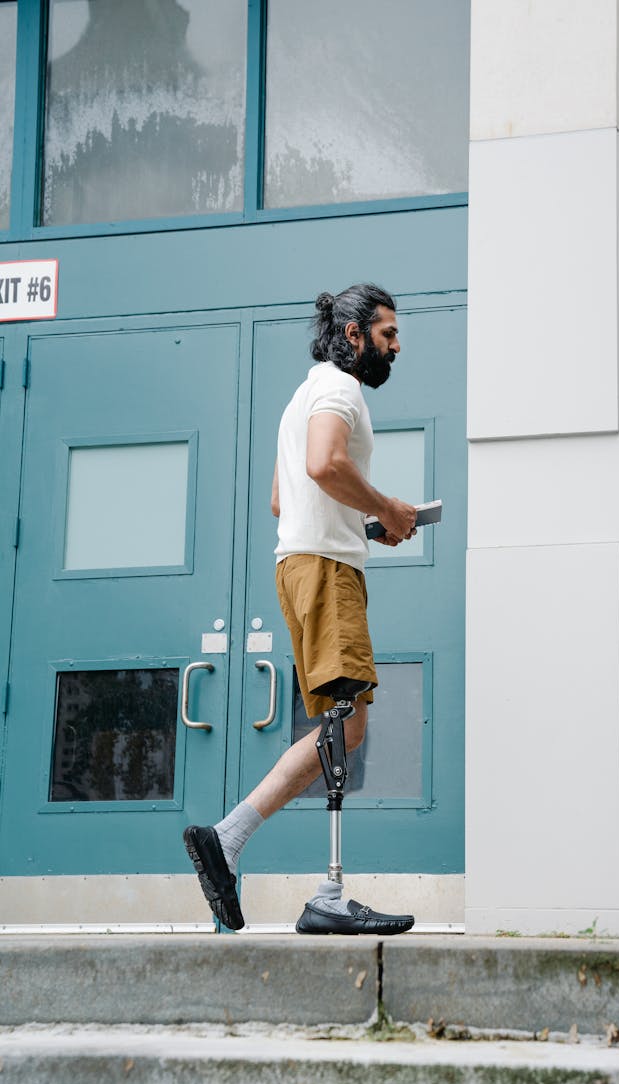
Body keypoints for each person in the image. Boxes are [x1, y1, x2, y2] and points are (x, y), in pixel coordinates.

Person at [184, 282, 418, 934]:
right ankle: (316, 886)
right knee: (347, 727)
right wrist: (388, 507)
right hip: (325, 573)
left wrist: (365, 526)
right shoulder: (341, 390)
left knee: (341, 727)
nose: (396, 346)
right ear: (353, 334)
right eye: (388, 334)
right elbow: (323, 464)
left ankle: (229, 839)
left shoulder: (304, 394)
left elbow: (283, 502)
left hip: (305, 563)